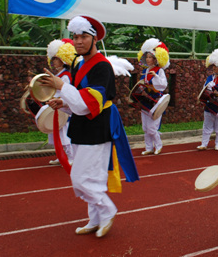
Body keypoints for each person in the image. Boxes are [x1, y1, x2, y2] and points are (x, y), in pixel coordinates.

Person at [41, 15, 139, 238]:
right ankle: (95, 219)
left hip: (97, 126)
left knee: (80, 178)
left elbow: (89, 103)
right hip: (82, 125)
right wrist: (64, 103)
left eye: (83, 36)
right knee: (91, 177)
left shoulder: (102, 67)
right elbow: (77, 100)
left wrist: (61, 87)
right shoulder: (78, 62)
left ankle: (108, 210)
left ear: (94, 39)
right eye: (75, 37)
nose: (78, 41)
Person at [43, 38, 76, 165]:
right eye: (53, 59)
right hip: (55, 107)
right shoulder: (57, 75)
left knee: (64, 134)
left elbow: (66, 92)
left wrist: (59, 101)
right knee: (56, 134)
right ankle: (61, 155)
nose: (54, 62)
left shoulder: (66, 75)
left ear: (63, 59)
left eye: (57, 59)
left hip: (63, 108)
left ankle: (71, 156)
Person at [137, 38, 170, 155]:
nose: (147, 59)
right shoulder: (145, 71)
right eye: (147, 57)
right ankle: (149, 148)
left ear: (156, 59)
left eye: (150, 57)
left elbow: (163, 85)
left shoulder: (159, 71)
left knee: (152, 127)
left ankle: (158, 145)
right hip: (145, 100)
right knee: (145, 127)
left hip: (155, 101)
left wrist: (155, 76)